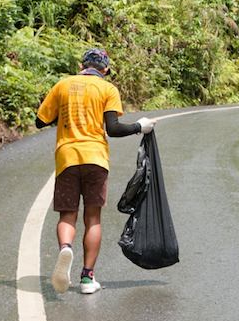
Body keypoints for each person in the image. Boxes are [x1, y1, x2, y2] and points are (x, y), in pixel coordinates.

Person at [36, 48, 155, 295]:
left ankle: (65, 248)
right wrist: (139, 127)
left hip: (67, 157)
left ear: (81, 66)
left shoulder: (63, 85)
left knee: (67, 214)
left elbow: (40, 120)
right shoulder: (107, 89)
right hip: (96, 159)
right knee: (93, 218)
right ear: (106, 70)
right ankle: (88, 278)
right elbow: (112, 128)